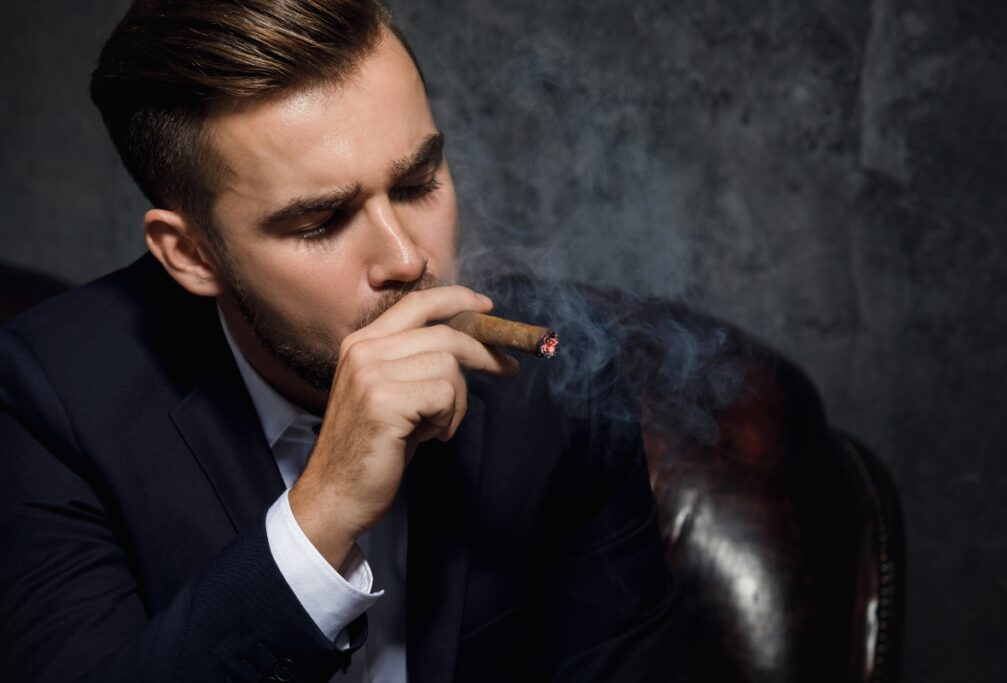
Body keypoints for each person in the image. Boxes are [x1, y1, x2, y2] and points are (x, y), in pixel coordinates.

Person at [0, 1, 682, 680]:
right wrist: (318, 519)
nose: (406, 259)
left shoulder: (554, 393)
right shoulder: (49, 398)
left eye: (418, 183)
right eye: (322, 220)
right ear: (193, 254)